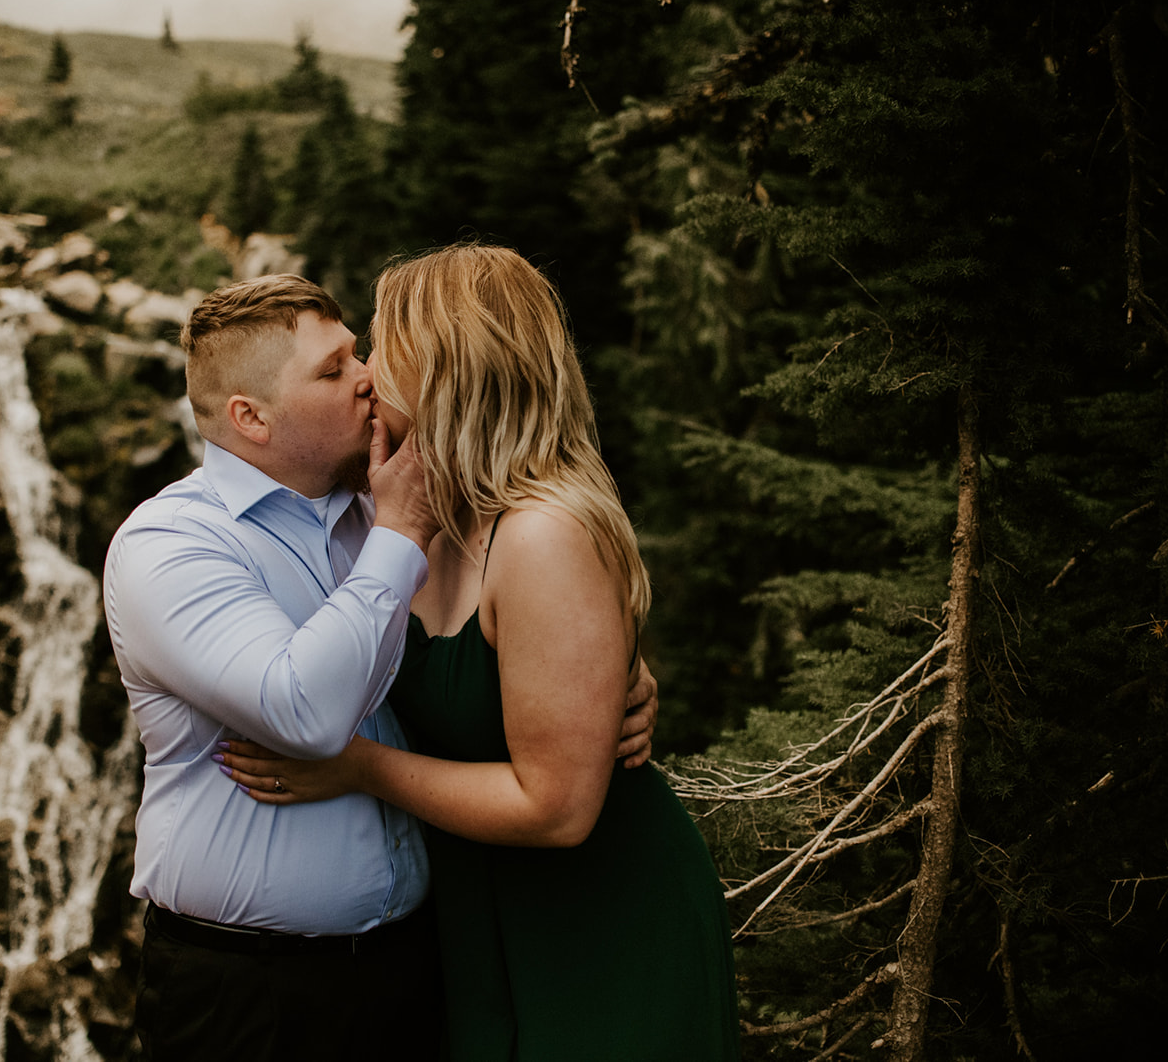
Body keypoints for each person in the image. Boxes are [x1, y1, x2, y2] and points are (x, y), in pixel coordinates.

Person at [101, 273, 658, 1062]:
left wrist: (613, 684)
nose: (368, 376)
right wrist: (398, 535)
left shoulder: (393, 507)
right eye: (332, 371)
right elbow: (303, 713)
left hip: (422, 967)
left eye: (356, 353)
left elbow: (527, 630)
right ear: (250, 417)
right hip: (250, 994)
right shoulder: (174, 545)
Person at [217, 245, 742, 1061]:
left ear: (445, 369)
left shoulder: (543, 534)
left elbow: (559, 809)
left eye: (380, 347)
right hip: (477, 921)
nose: (364, 375)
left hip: (597, 922)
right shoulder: (406, 515)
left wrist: (357, 767)